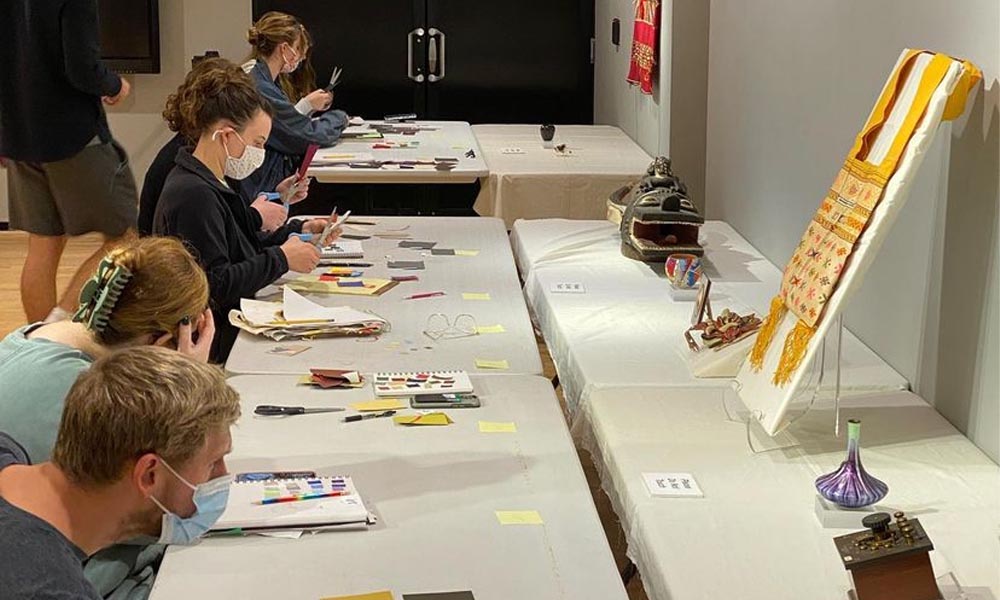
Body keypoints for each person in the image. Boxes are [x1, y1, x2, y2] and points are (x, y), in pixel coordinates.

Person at [0, 347, 241, 599]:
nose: (223, 476)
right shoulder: (48, 590)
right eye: (213, 463)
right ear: (149, 475)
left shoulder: (6, 450)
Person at [152, 59, 337, 362]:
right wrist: (282, 259)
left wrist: (299, 231)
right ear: (226, 135)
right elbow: (216, 283)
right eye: (257, 143)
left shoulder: (216, 179)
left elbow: (242, 243)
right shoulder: (193, 195)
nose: (259, 154)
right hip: (213, 346)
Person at [0, 236, 214, 466]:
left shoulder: (29, 335)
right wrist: (189, 378)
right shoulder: (96, 401)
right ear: (161, 342)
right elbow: (171, 474)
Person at [0, 0, 139, 324]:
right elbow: (81, 68)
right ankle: (57, 329)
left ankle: (38, 346)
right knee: (124, 239)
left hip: (21, 136)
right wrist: (115, 85)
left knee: (43, 245)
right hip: (72, 136)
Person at [138, 59, 311, 237]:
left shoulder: (216, 157)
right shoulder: (183, 170)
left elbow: (230, 217)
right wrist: (257, 220)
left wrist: (277, 195)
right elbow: (217, 239)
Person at [240, 11, 349, 198]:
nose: (301, 57)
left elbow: (289, 124)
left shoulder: (261, 77)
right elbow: (309, 136)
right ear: (284, 49)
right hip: (257, 185)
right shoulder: (260, 87)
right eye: (298, 49)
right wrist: (339, 118)